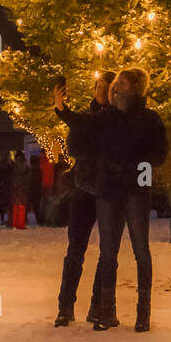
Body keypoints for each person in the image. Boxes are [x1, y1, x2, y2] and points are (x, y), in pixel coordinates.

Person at [89, 67, 168, 333]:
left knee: (140, 250)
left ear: (134, 88)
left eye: (121, 83)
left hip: (135, 190)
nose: (115, 87)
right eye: (116, 83)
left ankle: (143, 312)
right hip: (109, 190)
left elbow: (159, 154)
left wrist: (135, 166)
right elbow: (86, 140)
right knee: (107, 252)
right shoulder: (106, 118)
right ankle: (106, 311)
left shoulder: (149, 119)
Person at [53, 71, 114, 327]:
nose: (101, 91)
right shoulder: (85, 118)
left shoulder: (118, 121)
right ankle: (65, 308)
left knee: (107, 253)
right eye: (98, 86)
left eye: (106, 87)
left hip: (110, 193)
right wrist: (62, 109)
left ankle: (97, 307)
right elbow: (77, 141)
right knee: (75, 251)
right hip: (83, 190)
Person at [9, 154, 30, 229]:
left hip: (18, 188)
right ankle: (19, 223)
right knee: (19, 207)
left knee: (18, 207)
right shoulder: (24, 168)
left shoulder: (14, 167)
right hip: (19, 189)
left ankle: (17, 223)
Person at [27, 154, 44, 226]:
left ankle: (24, 219)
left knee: (31, 206)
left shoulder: (30, 171)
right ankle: (40, 221)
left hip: (31, 191)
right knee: (37, 207)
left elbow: (29, 181)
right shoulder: (39, 170)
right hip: (37, 191)